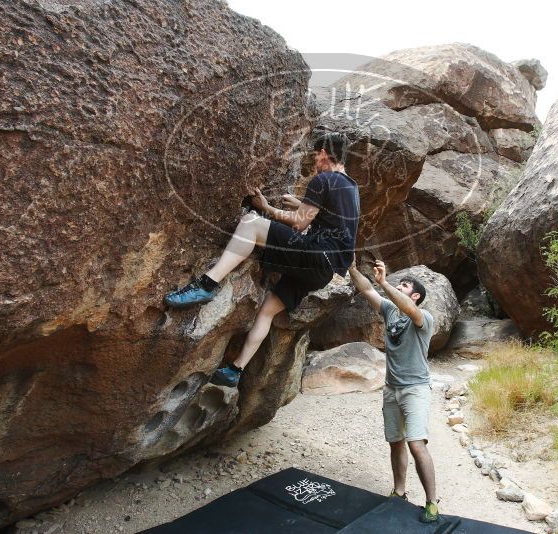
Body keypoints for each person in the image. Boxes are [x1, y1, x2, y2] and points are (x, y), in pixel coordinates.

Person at [164, 132, 359, 388]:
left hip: (314, 254)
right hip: (324, 271)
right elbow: (332, 219)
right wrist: (303, 203)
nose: (313, 160)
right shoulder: (351, 187)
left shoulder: (324, 179)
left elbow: (301, 223)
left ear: (324, 152)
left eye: (315, 154)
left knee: (251, 223)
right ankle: (235, 370)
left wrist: (266, 208)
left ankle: (206, 285)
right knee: (268, 309)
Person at [348, 260, 439, 523]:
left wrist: (385, 283)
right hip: (392, 388)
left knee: (416, 443)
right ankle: (399, 492)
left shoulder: (424, 318)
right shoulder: (390, 311)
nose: (400, 286)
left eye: (405, 285)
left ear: (416, 295)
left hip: (416, 389)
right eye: (399, 283)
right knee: (395, 442)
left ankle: (432, 502)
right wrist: (353, 269)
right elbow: (367, 291)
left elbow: (408, 308)